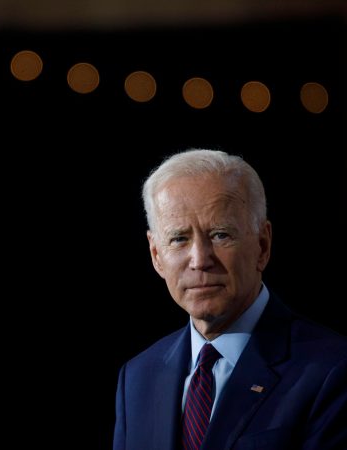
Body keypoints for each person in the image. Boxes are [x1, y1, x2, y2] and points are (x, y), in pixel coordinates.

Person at [113, 148, 347, 450]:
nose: (199, 260)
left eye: (220, 235)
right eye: (179, 239)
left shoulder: (332, 371)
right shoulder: (136, 378)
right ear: (156, 255)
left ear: (262, 245)